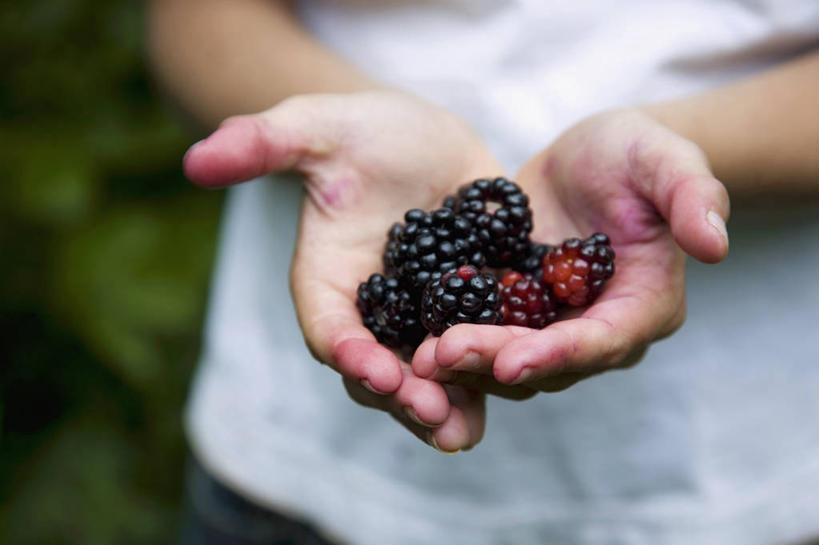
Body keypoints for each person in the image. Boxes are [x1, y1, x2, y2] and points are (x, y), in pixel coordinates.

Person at [148, 1, 819, 543]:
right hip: (293, 458)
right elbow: (196, 19)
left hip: (755, 467)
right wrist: (330, 130)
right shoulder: (447, 264)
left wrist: (677, 161)